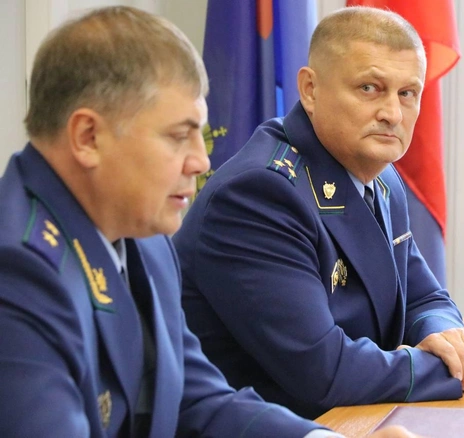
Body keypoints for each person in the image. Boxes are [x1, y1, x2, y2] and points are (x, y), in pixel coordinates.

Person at [0, 6, 418, 438]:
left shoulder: (144, 239)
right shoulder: (17, 273)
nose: (201, 161)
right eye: (178, 136)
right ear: (88, 137)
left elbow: (196, 400)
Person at [173, 5, 464, 420]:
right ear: (310, 90)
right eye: (370, 88)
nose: (392, 114)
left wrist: (450, 341)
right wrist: (463, 370)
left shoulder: (382, 176)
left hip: (351, 421)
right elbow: (322, 372)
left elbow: (424, 296)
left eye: (407, 93)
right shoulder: (260, 194)